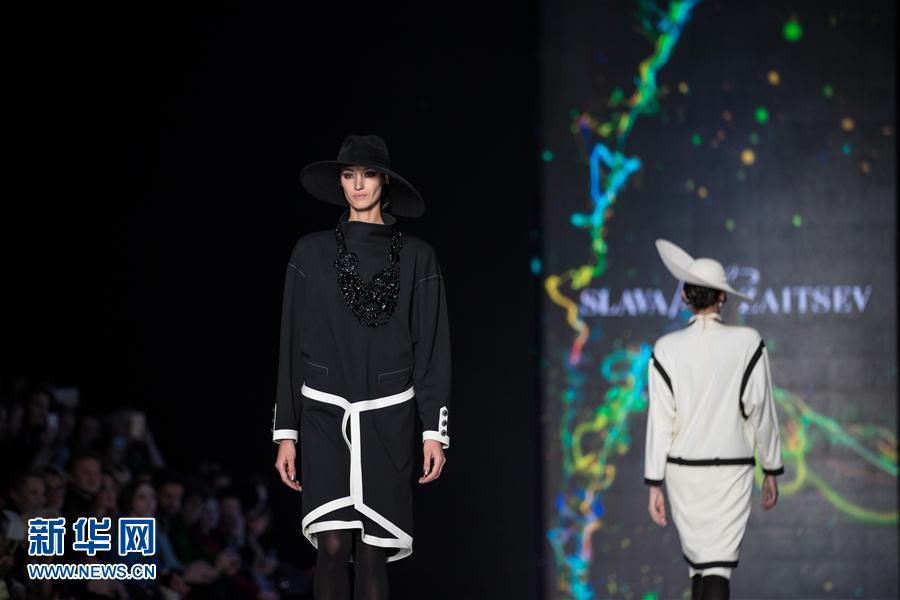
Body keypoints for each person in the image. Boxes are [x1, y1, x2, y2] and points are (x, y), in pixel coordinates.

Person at [272, 134, 451, 600]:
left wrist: (433, 430)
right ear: (339, 182)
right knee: (331, 546)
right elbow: (290, 342)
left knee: (373, 552)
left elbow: (432, 347)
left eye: (368, 174)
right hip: (323, 412)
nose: (358, 184)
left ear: (384, 182)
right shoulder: (310, 252)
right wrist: (286, 432)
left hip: (388, 417)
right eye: (349, 175)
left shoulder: (417, 256)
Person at [644, 239, 784, 600]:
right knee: (716, 567)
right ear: (723, 296)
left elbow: (661, 421)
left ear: (684, 296)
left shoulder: (666, 349)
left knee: (701, 567)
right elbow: (761, 410)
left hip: (683, 473)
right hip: (730, 473)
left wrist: (655, 482)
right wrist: (771, 467)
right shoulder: (748, 342)